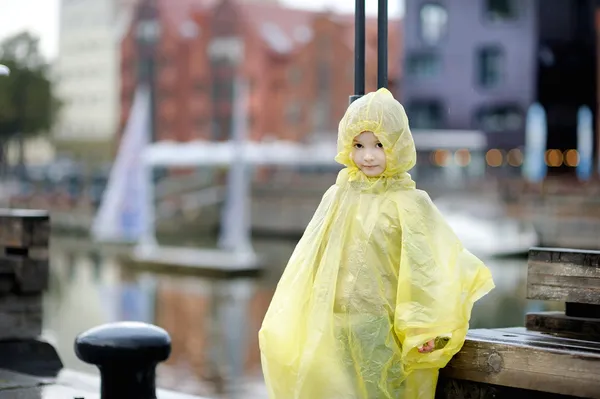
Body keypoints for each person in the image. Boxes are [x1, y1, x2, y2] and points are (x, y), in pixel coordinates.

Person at [258, 88, 495, 399]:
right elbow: (313, 255)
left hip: (385, 327)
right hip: (335, 323)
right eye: (358, 145)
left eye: (379, 145)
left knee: (384, 389)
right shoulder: (339, 195)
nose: (367, 155)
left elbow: (429, 268)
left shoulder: (408, 203)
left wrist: (425, 328)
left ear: (397, 146)